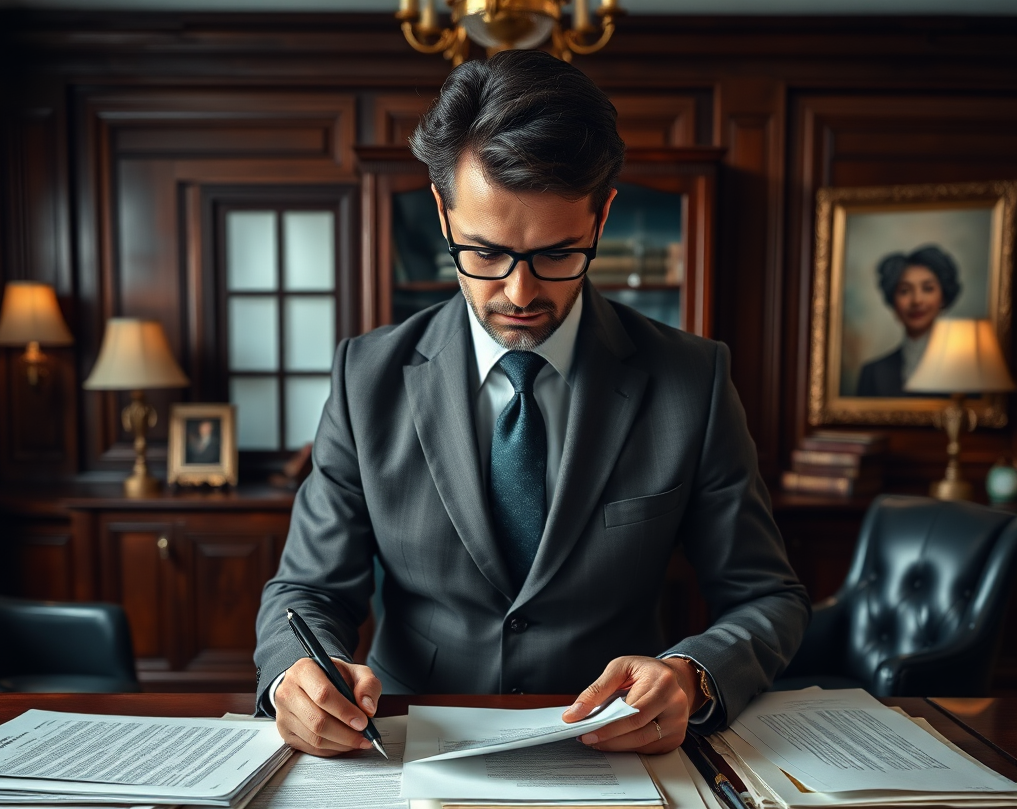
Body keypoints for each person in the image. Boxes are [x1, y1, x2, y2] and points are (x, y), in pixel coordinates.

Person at [253, 50, 809, 758]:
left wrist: (690, 675)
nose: (519, 294)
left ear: (602, 216)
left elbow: (769, 597)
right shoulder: (368, 378)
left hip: (612, 746)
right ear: (441, 211)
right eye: (483, 254)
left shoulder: (691, 381)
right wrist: (294, 678)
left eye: (556, 254)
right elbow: (306, 589)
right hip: (405, 742)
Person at [856, 244, 961, 397]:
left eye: (928, 288)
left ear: (943, 297)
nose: (917, 300)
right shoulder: (873, 373)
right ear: (893, 301)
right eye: (904, 291)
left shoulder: (966, 367)